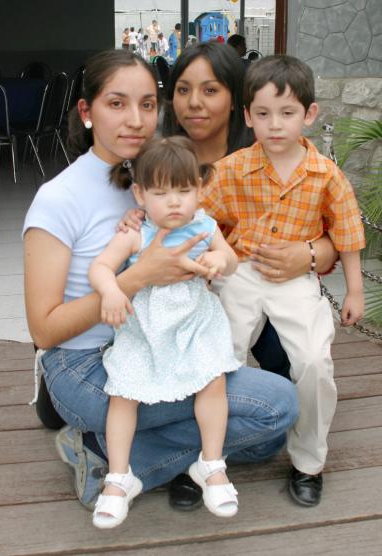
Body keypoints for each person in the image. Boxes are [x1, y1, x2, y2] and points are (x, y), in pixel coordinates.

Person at [24, 48, 298, 515]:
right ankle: (105, 457)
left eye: (148, 104)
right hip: (88, 368)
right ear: (87, 113)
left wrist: (311, 251)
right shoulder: (58, 199)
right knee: (275, 410)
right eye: (116, 104)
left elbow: (224, 235)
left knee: (266, 432)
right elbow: (44, 332)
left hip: (162, 343)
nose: (135, 119)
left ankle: (113, 452)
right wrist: (138, 277)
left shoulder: (157, 176)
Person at [123, 42, 339, 510]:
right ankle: (196, 456)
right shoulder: (157, 157)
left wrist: (309, 252)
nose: (194, 102)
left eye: (210, 89)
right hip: (185, 297)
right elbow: (142, 220)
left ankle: (298, 454)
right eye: (182, 89)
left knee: (300, 358)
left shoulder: (267, 145)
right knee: (200, 356)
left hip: (262, 282)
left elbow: (331, 235)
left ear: (236, 101)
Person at [201, 54, 366, 507]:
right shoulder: (231, 169)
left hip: (297, 279)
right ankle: (208, 455)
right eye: (263, 114)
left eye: (288, 112)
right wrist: (213, 261)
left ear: (309, 114)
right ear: (248, 116)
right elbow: (200, 221)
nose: (276, 125)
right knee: (219, 356)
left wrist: (354, 290)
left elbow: (348, 233)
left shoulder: (325, 175)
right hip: (240, 272)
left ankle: (308, 461)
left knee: (314, 361)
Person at [89, 136, 241, 528]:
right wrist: (110, 290)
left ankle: (212, 463)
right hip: (145, 329)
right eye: (161, 192)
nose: (174, 202)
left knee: (213, 381)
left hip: (195, 325)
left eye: (184, 190)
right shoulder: (136, 233)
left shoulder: (205, 224)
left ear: (200, 188)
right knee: (123, 393)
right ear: (139, 193)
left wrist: (217, 257)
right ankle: (119, 477)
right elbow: (101, 267)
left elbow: (232, 258)